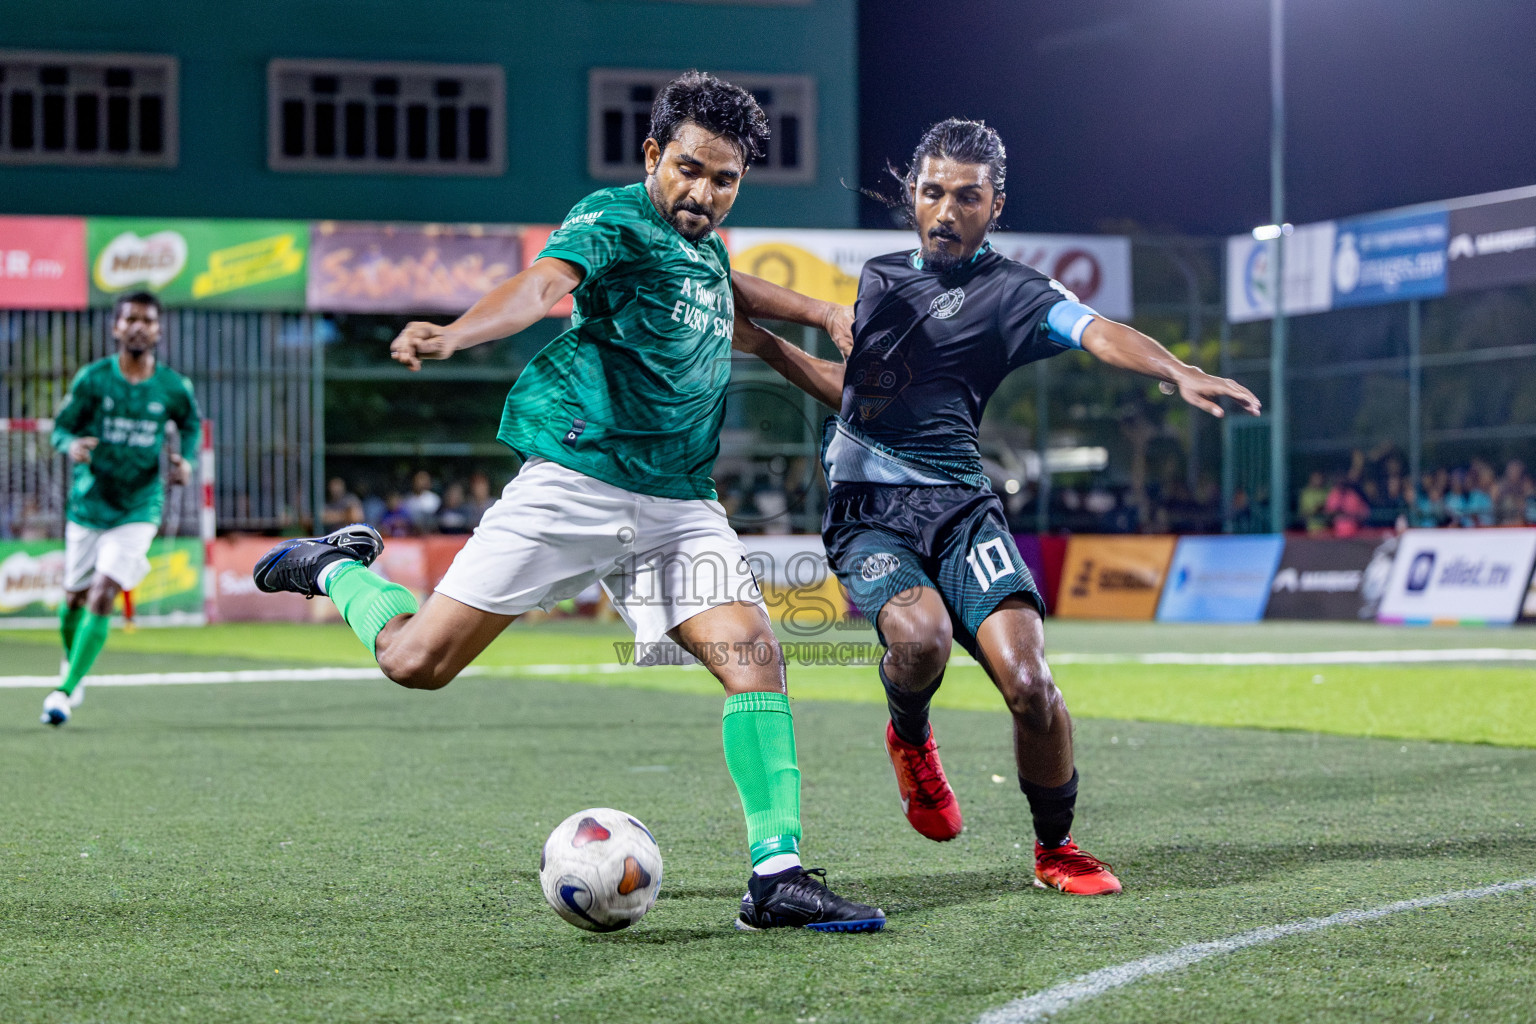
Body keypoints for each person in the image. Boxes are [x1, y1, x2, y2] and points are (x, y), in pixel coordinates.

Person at [252, 72, 883, 932]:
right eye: (690, 169)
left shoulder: (705, 249)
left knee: (755, 656)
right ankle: (336, 569)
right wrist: (457, 331)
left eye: (725, 179)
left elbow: (732, 296)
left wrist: (816, 315)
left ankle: (775, 877)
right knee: (417, 663)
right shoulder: (614, 219)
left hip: (678, 504)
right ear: (654, 155)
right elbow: (542, 285)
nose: (704, 192)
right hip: (575, 485)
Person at [734, 118, 1261, 896]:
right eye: (935, 192)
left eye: (968, 197)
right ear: (913, 194)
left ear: (995, 205)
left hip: (960, 509)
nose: (948, 210)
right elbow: (856, 400)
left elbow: (1097, 331)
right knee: (919, 640)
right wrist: (777, 349)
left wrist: (1175, 366)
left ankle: (1057, 849)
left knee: (1029, 682)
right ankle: (910, 738)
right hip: (868, 512)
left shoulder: (1013, 292)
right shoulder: (878, 279)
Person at [42, 291, 201, 726]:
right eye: (130, 318)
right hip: (89, 502)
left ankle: (65, 689)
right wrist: (70, 444)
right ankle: (72, 665)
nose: (138, 326)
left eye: (147, 320)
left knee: (103, 591)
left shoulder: (172, 386)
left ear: (158, 330)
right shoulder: (93, 379)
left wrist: (185, 460)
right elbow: (61, 428)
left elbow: (189, 425)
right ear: (116, 328)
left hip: (139, 505)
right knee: (73, 596)